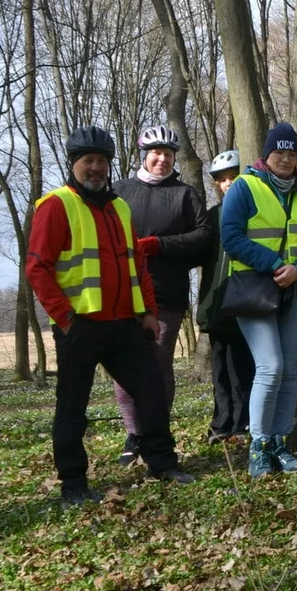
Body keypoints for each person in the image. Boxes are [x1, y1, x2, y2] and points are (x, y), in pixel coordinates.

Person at [26, 126, 193, 505]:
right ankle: (73, 485)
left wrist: (148, 312)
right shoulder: (56, 204)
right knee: (72, 407)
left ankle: (162, 464)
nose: (96, 168)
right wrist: (66, 319)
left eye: (102, 161)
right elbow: (37, 268)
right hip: (80, 326)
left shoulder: (119, 207)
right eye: (89, 161)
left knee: (151, 391)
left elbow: (138, 266)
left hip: (124, 325)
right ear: (75, 165)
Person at [220, 123, 297, 478]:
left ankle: (281, 442)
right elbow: (231, 237)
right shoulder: (244, 187)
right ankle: (259, 447)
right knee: (270, 366)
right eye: (278, 152)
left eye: (291, 153)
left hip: (296, 289)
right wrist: (275, 264)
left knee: (291, 369)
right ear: (266, 156)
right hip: (254, 290)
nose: (284, 158)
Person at [112, 126, 212, 466]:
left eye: (168, 154)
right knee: (125, 365)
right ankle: (133, 433)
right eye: (156, 153)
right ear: (145, 155)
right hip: (122, 293)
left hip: (166, 294)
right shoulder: (120, 190)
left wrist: (161, 245)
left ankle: (156, 432)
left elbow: (203, 236)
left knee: (157, 366)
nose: (162, 159)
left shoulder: (184, 194)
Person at [196, 150, 256, 444]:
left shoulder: (252, 212)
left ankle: (242, 422)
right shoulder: (211, 217)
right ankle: (222, 421)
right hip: (216, 303)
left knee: (242, 365)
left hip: (245, 300)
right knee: (219, 366)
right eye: (223, 180)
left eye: (234, 177)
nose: (229, 184)